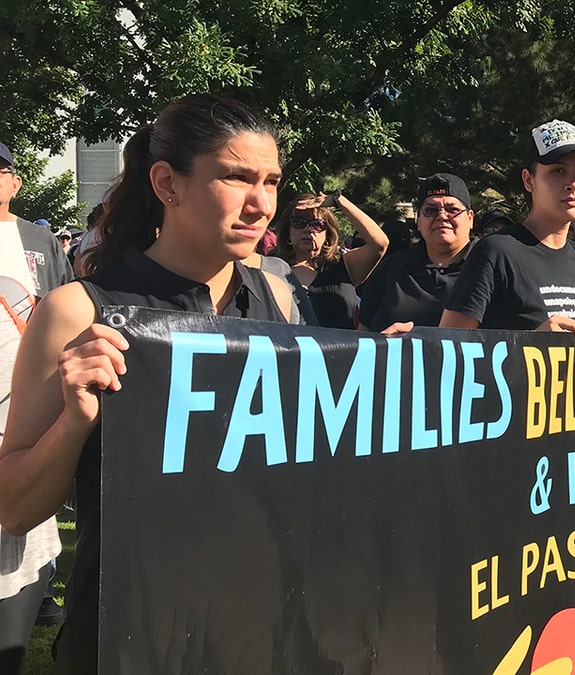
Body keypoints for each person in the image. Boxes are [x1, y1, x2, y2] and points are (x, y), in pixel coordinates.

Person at [0, 94, 295, 672]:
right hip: (127, 637)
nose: (261, 204)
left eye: (272, 182)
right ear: (167, 183)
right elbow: (14, 509)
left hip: (254, 629)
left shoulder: (276, 300)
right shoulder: (76, 312)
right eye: (236, 178)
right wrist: (74, 421)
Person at [440, 119, 575, 350]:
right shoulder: (496, 252)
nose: (573, 183)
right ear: (528, 180)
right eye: (558, 171)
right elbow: (446, 351)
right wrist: (532, 344)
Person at [0, 140, 74, 672]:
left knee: (21, 545)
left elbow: (63, 305)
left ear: (16, 181)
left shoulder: (37, 239)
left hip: (23, 415)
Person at [358, 173, 477, 334]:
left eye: (452, 209)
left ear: (470, 219)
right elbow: (361, 336)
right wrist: (382, 344)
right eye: (430, 210)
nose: (442, 216)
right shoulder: (391, 268)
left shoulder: (491, 267)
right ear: (418, 221)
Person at [273, 190, 387, 329]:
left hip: (341, 350)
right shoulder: (270, 268)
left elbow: (379, 244)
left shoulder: (344, 266)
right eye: (298, 222)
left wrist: (338, 200)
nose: (308, 229)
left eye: (317, 224)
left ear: (327, 235)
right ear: (288, 233)